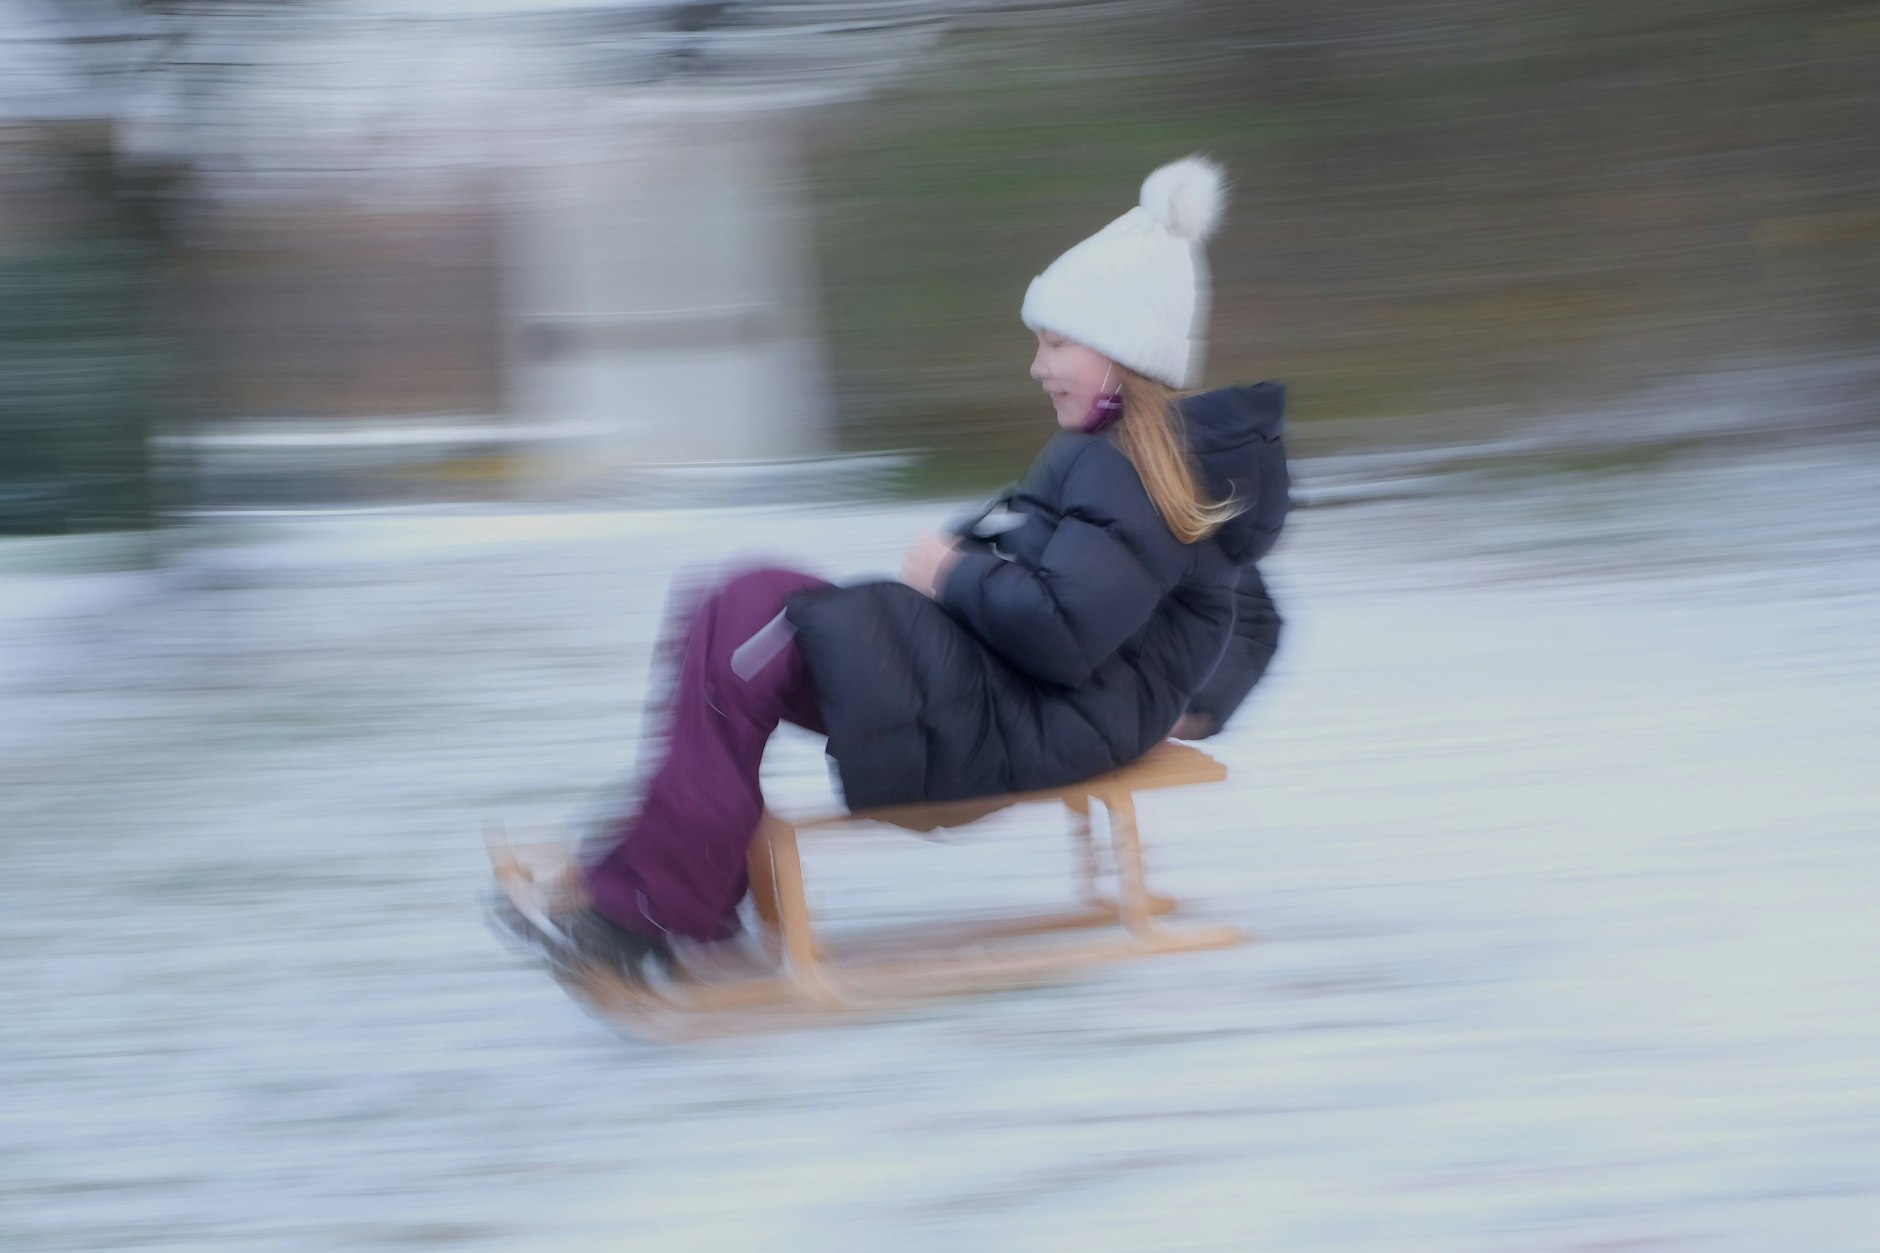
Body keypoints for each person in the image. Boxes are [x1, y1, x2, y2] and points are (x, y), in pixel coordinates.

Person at [491, 155, 1289, 983]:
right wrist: (968, 566)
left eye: (1055, 342)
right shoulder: (1127, 463)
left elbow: (1063, 630)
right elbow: (1178, 595)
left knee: (750, 617)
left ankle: (659, 893)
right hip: (1007, 691)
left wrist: (951, 575)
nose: (1037, 365)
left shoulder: (1131, 471)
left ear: (1120, 353)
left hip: (1023, 713)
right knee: (738, 605)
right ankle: (661, 864)